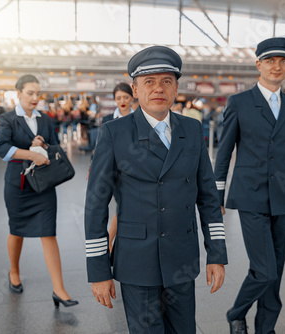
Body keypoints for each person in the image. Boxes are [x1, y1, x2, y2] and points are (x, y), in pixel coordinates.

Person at [85, 46, 227, 334]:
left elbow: (209, 198)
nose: (158, 88)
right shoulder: (115, 133)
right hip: (138, 261)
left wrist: (217, 254)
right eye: (149, 82)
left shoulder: (192, 130)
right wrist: (99, 270)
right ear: (135, 90)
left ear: (176, 88)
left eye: (166, 81)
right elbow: (96, 205)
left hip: (182, 259)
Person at [214, 37, 285, 334]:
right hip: (250, 198)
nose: (277, 66)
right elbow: (223, 155)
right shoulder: (239, 103)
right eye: (270, 61)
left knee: (276, 273)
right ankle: (236, 313)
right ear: (258, 64)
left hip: (283, 199)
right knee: (265, 270)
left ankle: (266, 328)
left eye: (283, 61)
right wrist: (216, 196)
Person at [0, 74, 78, 309]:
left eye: (37, 94)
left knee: (48, 232)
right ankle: (14, 271)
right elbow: (2, 149)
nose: (34, 98)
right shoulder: (8, 119)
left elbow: (54, 147)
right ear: (19, 93)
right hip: (18, 184)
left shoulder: (45, 119)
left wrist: (43, 146)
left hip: (42, 185)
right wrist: (31, 153)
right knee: (17, 229)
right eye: (30, 93)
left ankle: (59, 289)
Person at [101, 82, 135, 251]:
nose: (122, 101)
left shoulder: (139, 118)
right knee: (121, 203)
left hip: (133, 168)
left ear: (132, 97)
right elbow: (101, 147)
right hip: (113, 168)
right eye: (118, 98)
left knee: (123, 203)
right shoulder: (107, 120)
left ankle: (111, 240)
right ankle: (110, 240)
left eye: (125, 97)